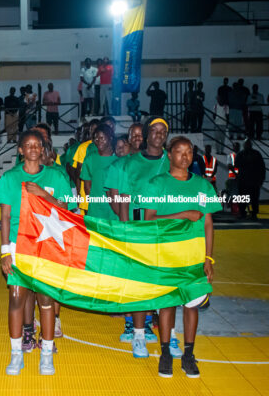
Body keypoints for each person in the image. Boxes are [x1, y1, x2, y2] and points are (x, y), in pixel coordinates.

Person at [0, 130, 76, 376]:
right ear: (20, 150)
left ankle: (47, 355)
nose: (32, 148)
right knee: (16, 300)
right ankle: (16, 354)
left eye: (37, 145)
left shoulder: (56, 176)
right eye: (27, 145)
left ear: (43, 150)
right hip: (18, 246)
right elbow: (5, 217)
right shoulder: (10, 177)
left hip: (47, 247)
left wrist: (43, 194)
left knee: (46, 301)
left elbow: (67, 209)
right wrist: (5, 252)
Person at [142, 136, 220, 378]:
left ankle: (188, 355)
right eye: (179, 151)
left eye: (189, 152)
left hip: (194, 258)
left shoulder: (203, 186)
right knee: (167, 304)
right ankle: (165, 353)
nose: (185, 156)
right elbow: (149, 219)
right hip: (166, 256)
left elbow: (208, 223)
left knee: (192, 305)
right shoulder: (156, 184)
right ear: (169, 154)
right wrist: (184, 214)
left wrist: (208, 258)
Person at [114, 118, 170, 357]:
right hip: (138, 227)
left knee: (163, 281)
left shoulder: (172, 160)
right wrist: (125, 230)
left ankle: (166, 332)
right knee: (137, 280)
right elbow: (124, 198)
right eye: (154, 130)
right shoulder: (132, 162)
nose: (158, 134)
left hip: (166, 229)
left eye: (163, 131)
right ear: (147, 135)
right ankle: (137, 332)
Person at [81, 124, 117, 220]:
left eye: (102, 138)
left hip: (115, 207)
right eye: (96, 138)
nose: (98, 141)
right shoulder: (90, 159)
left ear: (110, 138)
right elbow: (87, 186)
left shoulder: (118, 159)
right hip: (96, 208)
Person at [235, 139, 266, 220]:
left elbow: (262, 167)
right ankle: (242, 213)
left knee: (254, 198)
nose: (247, 145)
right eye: (246, 144)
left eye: (248, 144)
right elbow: (236, 164)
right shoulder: (241, 154)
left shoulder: (256, 154)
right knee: (242, 198)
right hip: (243, 180)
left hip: (254, 181)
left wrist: (262, 179)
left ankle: (254, 214)